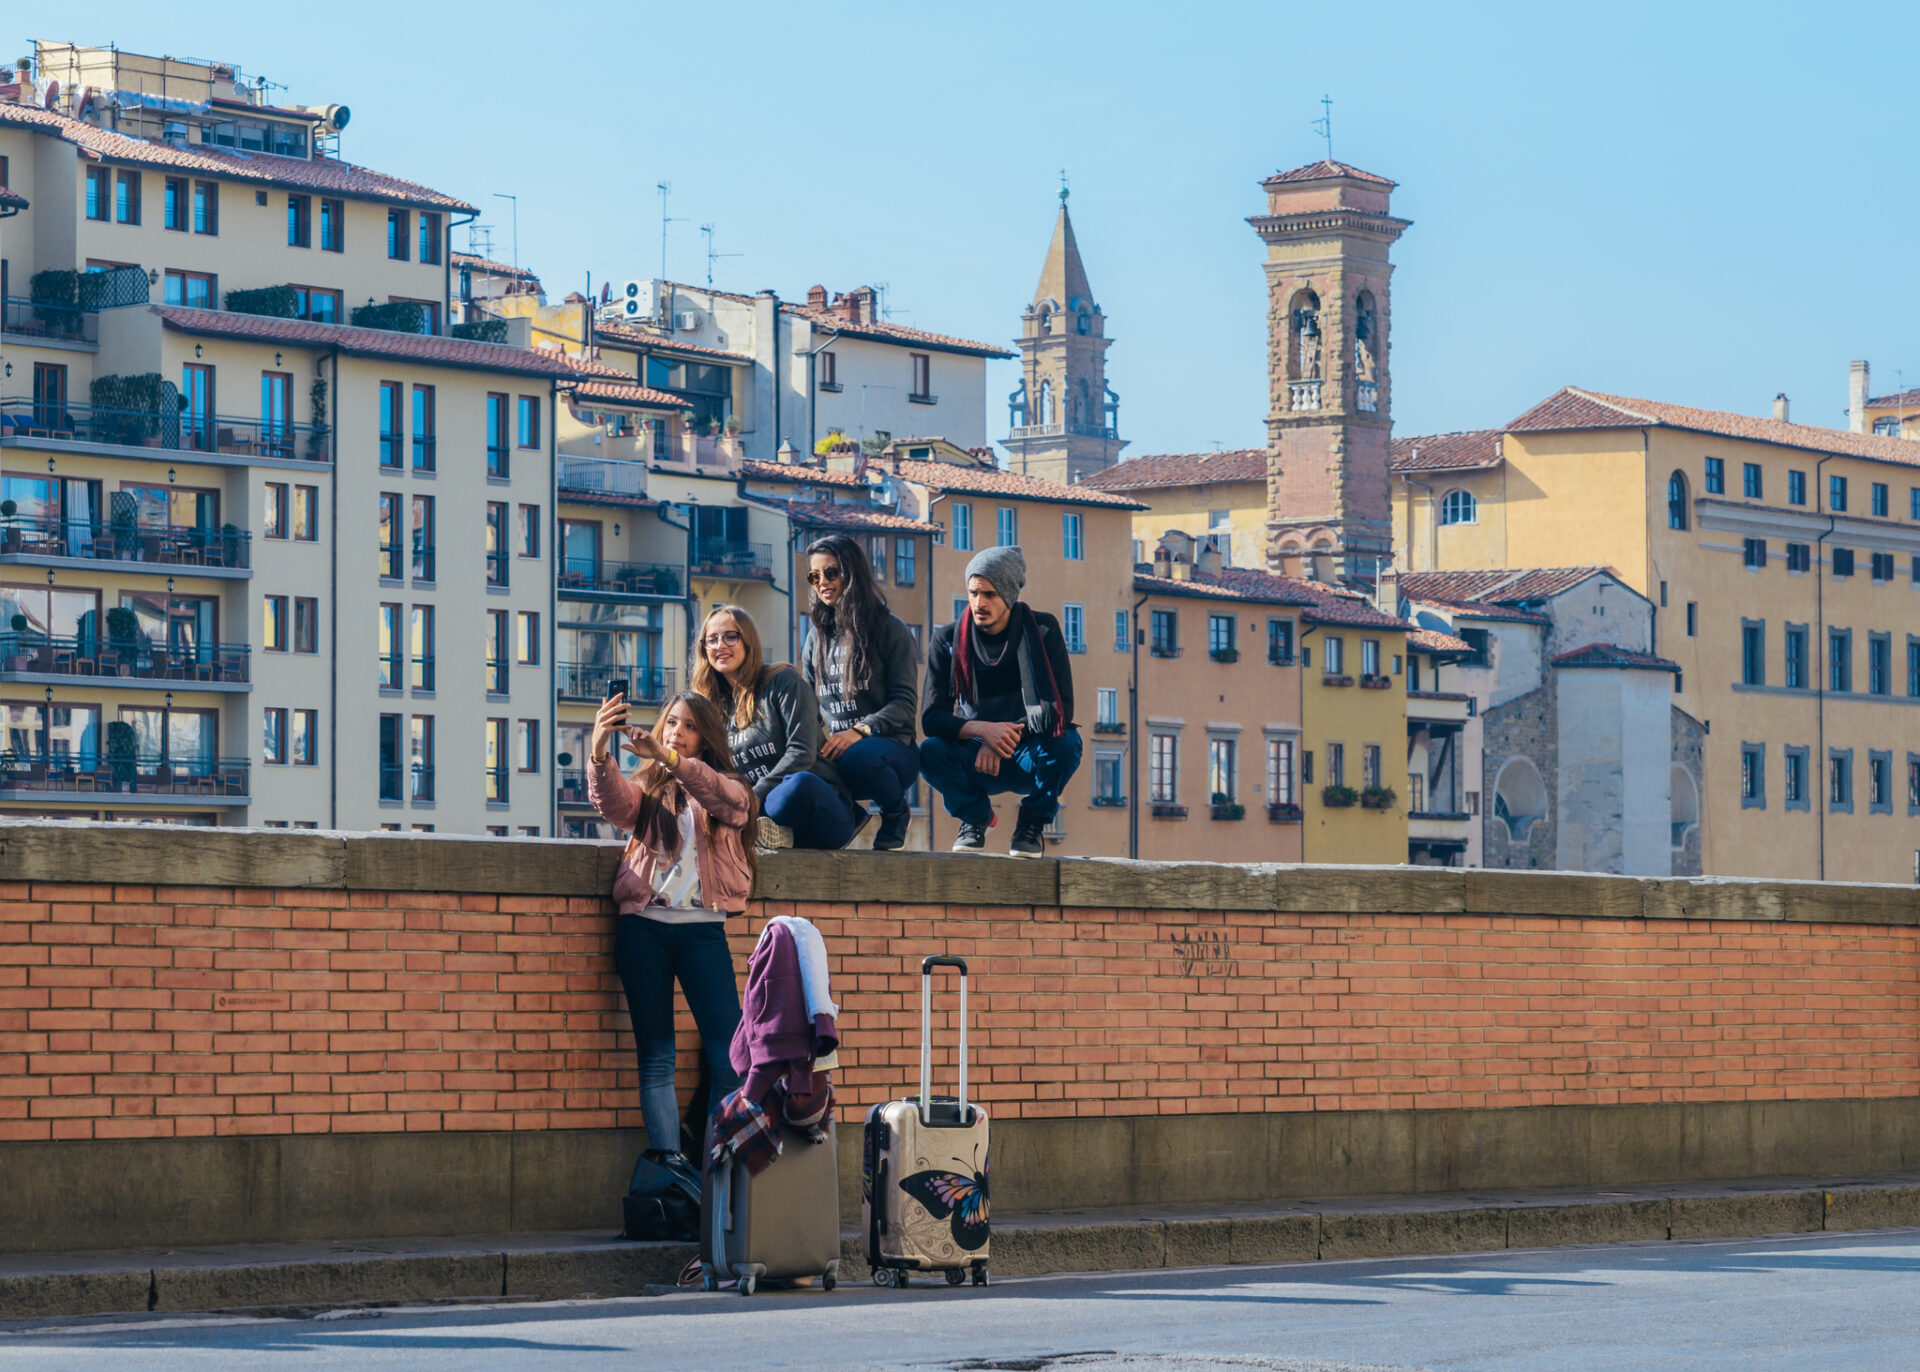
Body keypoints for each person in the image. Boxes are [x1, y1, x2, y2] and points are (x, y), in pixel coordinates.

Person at [586, 689, 756, 1171]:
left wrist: (669, 757)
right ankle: (671, 1173)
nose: (674, 731)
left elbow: (726, 801)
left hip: (702, 932)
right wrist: (599, 748)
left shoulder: (729, 787)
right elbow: (614, 805)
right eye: (670, 723)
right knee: (657, 1057)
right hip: (644, 929)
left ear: (705, 738)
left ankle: (717, 1168)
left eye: (687, 726)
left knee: (730, 1060)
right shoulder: (650, 790)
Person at [918, 545, 1082, 856]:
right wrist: (982, 732)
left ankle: (1032, 822)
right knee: (930, 752)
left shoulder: (1044, 629)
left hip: (1028, 754)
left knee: (1067, 742)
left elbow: (1059, 709)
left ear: (1008, 595)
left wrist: (999, 736)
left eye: (990, 594)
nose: (979, 603)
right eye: (973, 593)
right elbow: (932, 718)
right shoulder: (947, 640)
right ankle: (974, 817)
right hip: (976, 754)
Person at [690, 603, 864, 851]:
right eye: (712, 640)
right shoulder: (710, 707)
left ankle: (779, 831)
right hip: (757, 817)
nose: (720, 646)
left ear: (748, 641)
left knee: (796, 786)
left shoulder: (783, 682)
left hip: (818, 808)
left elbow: (802, 751)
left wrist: (752, 797)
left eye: (730, 636)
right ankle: (775, 834)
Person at [800, 533, 920, 851]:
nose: (822, 582)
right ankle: (847, 816)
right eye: (814, 576)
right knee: (795, 767)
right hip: (838, 751)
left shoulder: (890, 629)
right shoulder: (815, 639)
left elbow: (905, 705)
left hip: (890, 752)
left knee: (858, 756)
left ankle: (895, 813)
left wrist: (860, 730)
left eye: (831, 572)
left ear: (851, 573)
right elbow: (808, 708)